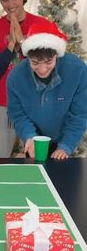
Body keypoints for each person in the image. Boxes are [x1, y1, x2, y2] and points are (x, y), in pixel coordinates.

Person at [0, 0, 47, 157]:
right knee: (1, 157)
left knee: (38, 157)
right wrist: (11, 44)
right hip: (5, 103)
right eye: (5, 0)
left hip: (37, 102)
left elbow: (45, 69)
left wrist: (22, 43)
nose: (10, 4)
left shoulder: (41, 25)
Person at [7, 20, 87, 160]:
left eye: (49, 62)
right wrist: (29, 136)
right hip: (34, 139)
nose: (42, 70)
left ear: (57, 54)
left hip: (66, 138)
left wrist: (66, 146)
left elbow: (79, 114)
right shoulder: (15, 77)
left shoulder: (78, 70)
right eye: (35, 63)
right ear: (28, 57)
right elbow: (18, 115)